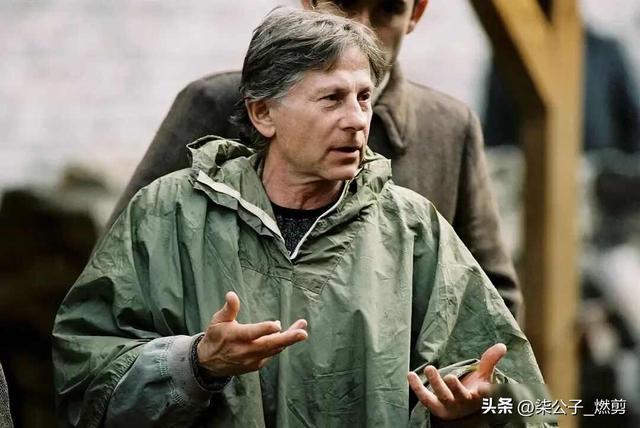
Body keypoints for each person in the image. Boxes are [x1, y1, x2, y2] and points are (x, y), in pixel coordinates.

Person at [53, 8, 547, 427]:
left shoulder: (413, 228)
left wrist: (474, 408)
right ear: (263, 113)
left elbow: (520, 393)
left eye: (364, 97)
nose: (356, 120)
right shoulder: (168, 213)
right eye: (332, 98)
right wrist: (195, 364)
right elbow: (84, 378)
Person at [108, 0, 523, 320]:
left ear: (416, 13)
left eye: (387, 9)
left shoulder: (447, 128)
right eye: (343, 3)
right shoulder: (215, 105)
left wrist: (462, 383)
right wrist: (192, 364)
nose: (362, 27)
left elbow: (491, 301)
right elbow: (122, 271)